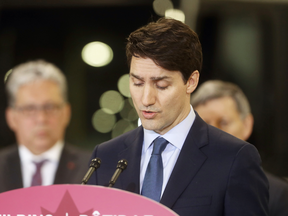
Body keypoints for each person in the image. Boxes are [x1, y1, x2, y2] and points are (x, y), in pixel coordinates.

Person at [88, 18, 269, 216]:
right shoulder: (105, 157)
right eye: (137, 83)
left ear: (191, 81)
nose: (146, 99)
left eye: (161, 85)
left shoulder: (235, 159)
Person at [191, 80, 288, 216]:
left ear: (246, 125)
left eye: (223, 122)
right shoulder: (180, 185)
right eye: (205, 125)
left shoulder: (277, 194)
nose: (214, 133)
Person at [0, 60, 90, 193]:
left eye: (50, 107)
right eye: (30, 108)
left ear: (66, 113)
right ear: (11, 117)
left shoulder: (92, 169)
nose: (41, 118)